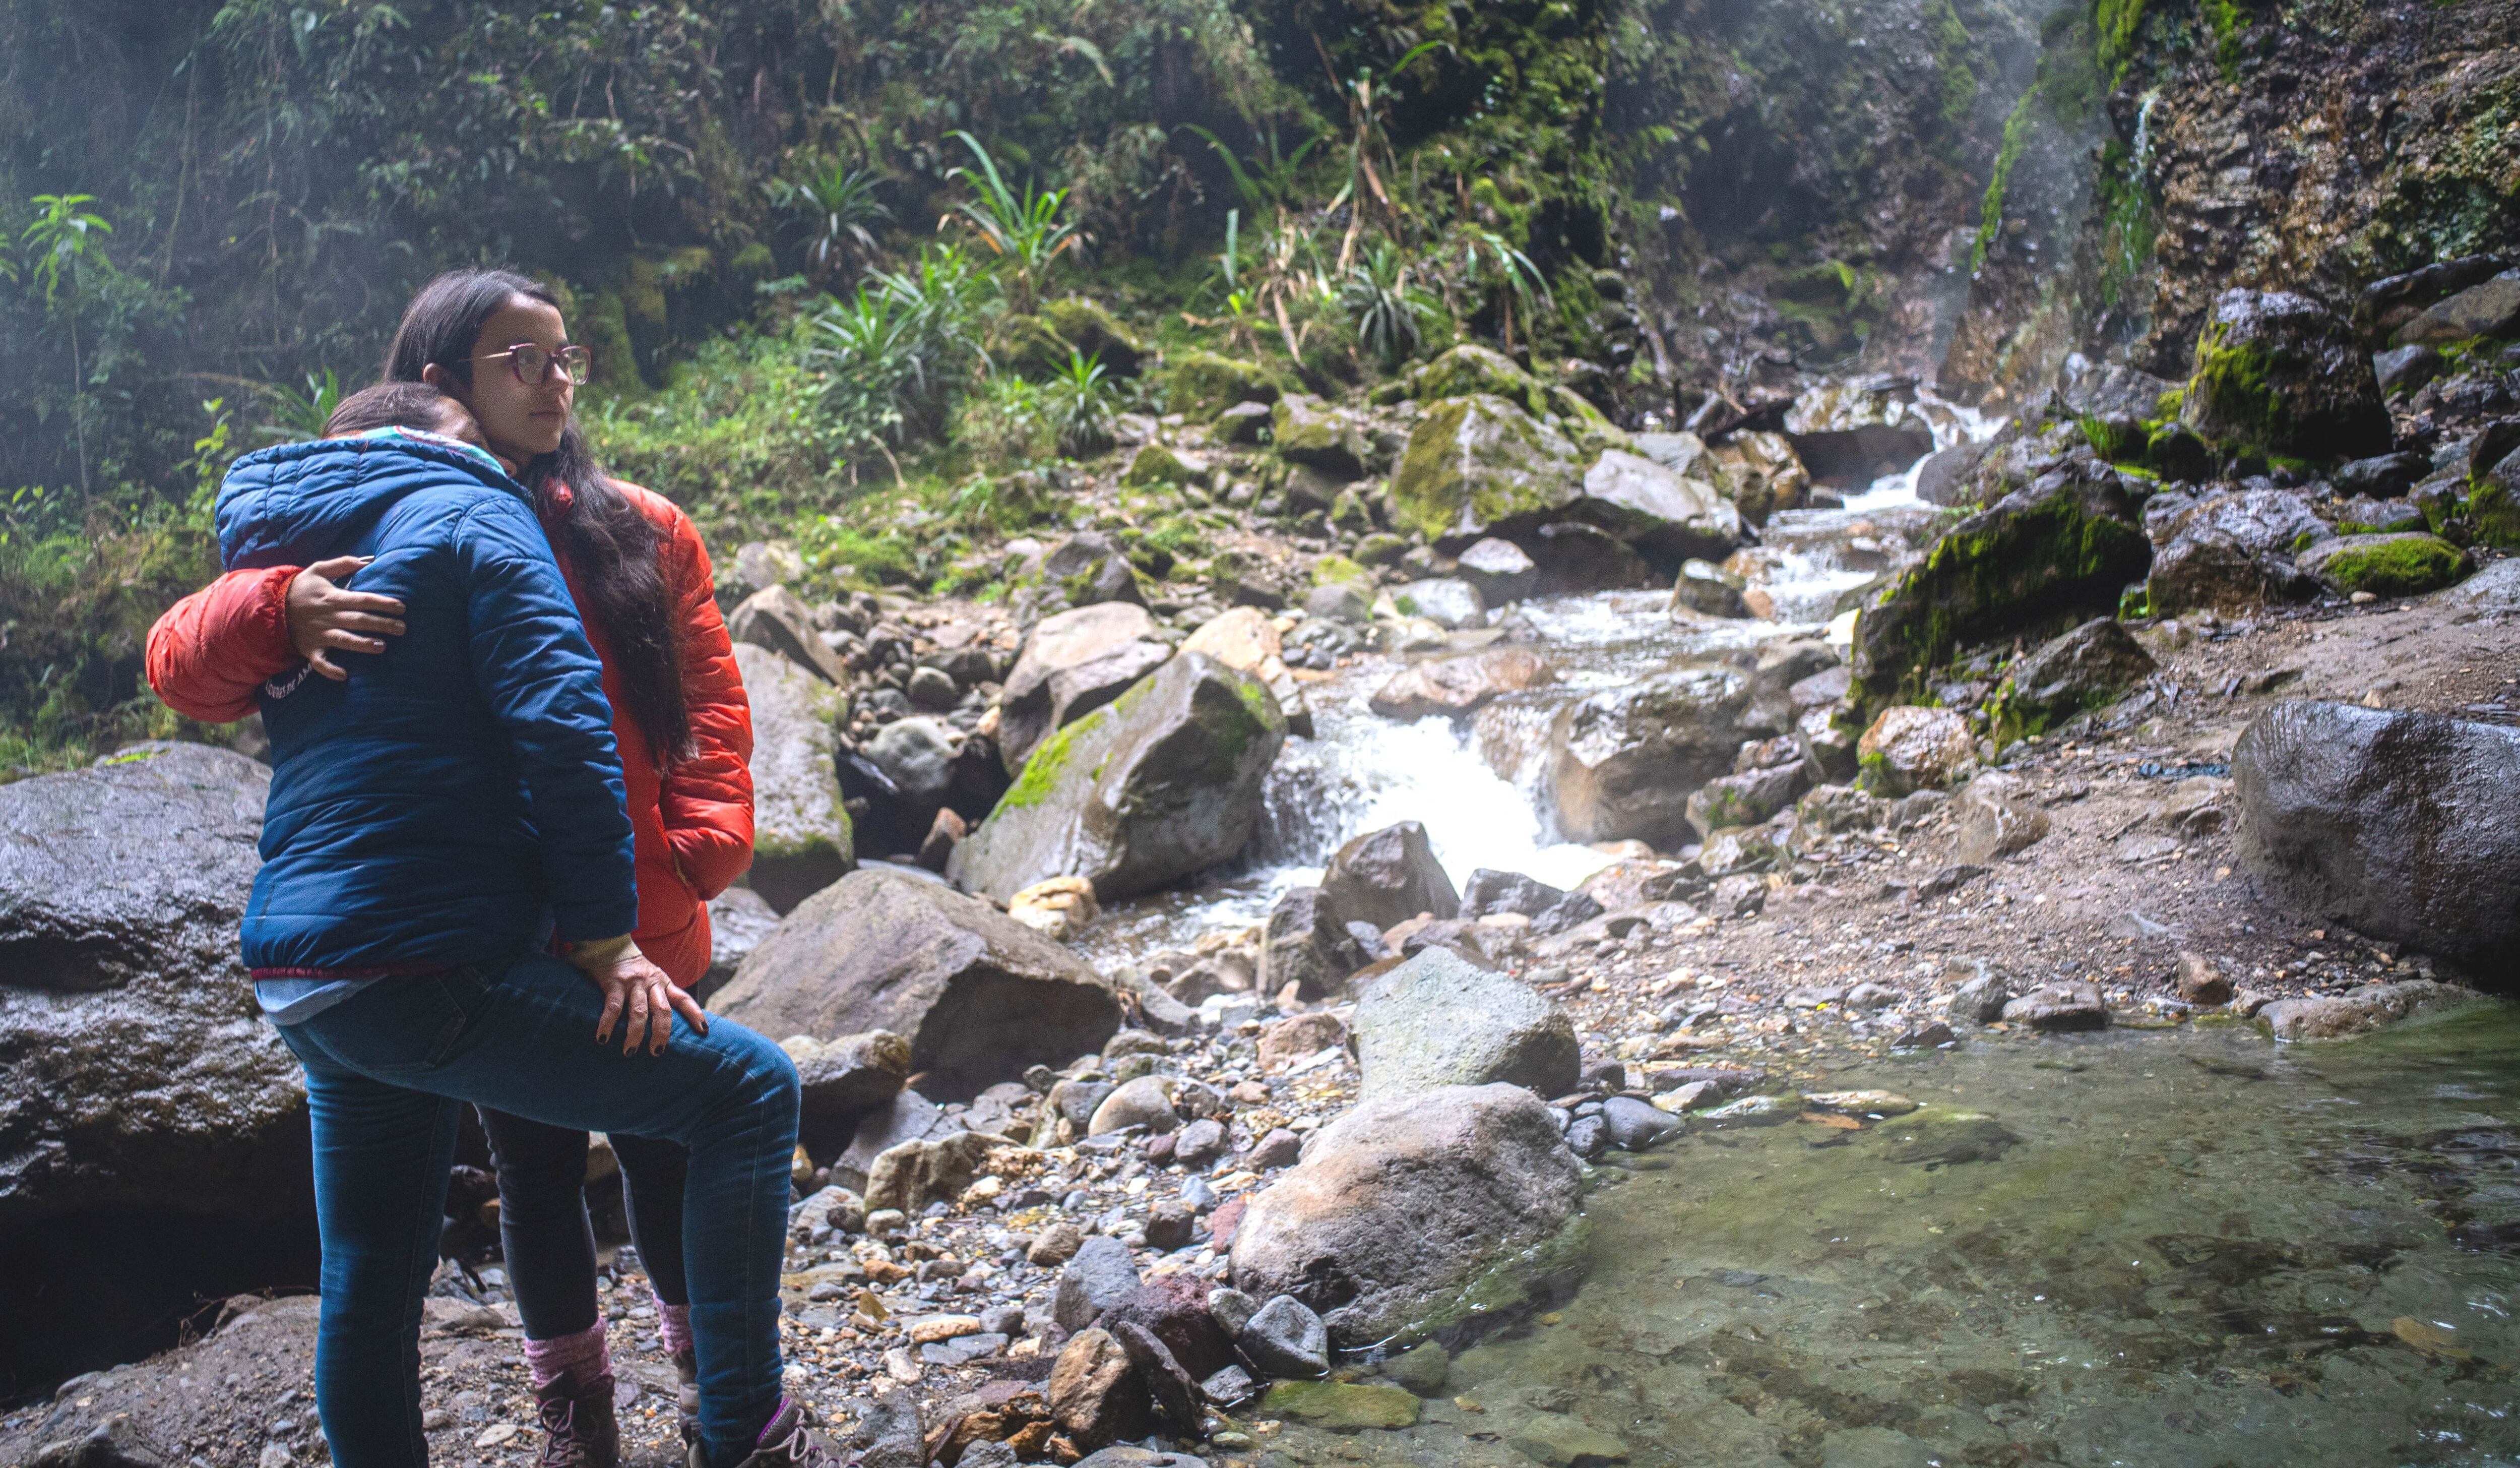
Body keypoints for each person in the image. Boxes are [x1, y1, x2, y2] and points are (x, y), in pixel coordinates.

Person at [144, 275, 835, 1468]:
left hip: (556, 915)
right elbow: (179, 660)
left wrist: (693, 853)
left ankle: (702, 1377)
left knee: (641, 1162)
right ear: (444, 392)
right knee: (585, 1152)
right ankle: (647, 1415)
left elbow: (710, 711)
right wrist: (277, 606)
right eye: (523, 359)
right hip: (479, 929)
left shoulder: (633, 526)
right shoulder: (404, 524)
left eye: (566, 357)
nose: (555, 380)